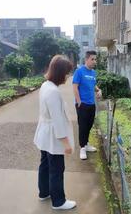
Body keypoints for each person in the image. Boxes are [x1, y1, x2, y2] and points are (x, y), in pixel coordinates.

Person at [34, 55, 77, 210]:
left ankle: (44, 192)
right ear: (60, 73)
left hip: (45, 133)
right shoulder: (53, 92)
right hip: (53, 136)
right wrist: (66, 143)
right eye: (66, 73)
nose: (67, 76)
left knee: (45, 164)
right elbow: (58, 120)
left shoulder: (46, 85)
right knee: (56, 169)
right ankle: (58, 201)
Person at [72, 51, 102, 161]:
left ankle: (87, 144)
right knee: (83, 126)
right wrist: (79, 102)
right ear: (87, 59)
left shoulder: (93, 73)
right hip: (82, 104)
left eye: (95, 59)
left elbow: (93, 85)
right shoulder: (79, 72)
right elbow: (75, 87)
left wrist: (98, 90)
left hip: (91, 104)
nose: (95, 61)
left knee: (89, 125)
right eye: (92, 59)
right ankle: (82, 148)